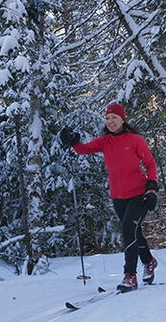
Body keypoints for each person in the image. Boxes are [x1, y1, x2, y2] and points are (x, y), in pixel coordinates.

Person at [60, 103, 158, 291]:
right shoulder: (105, 141)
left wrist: (152, 188)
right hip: (118, 196)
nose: (110, 121)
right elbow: (83, 150)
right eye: (107, 118)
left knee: (129, 229)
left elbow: (151, 164)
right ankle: (149, 260)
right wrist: (72, 141)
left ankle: (130, 275)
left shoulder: (135, 140)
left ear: (123, 119)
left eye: (114, 117)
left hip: (139, 194)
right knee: (134, 232)